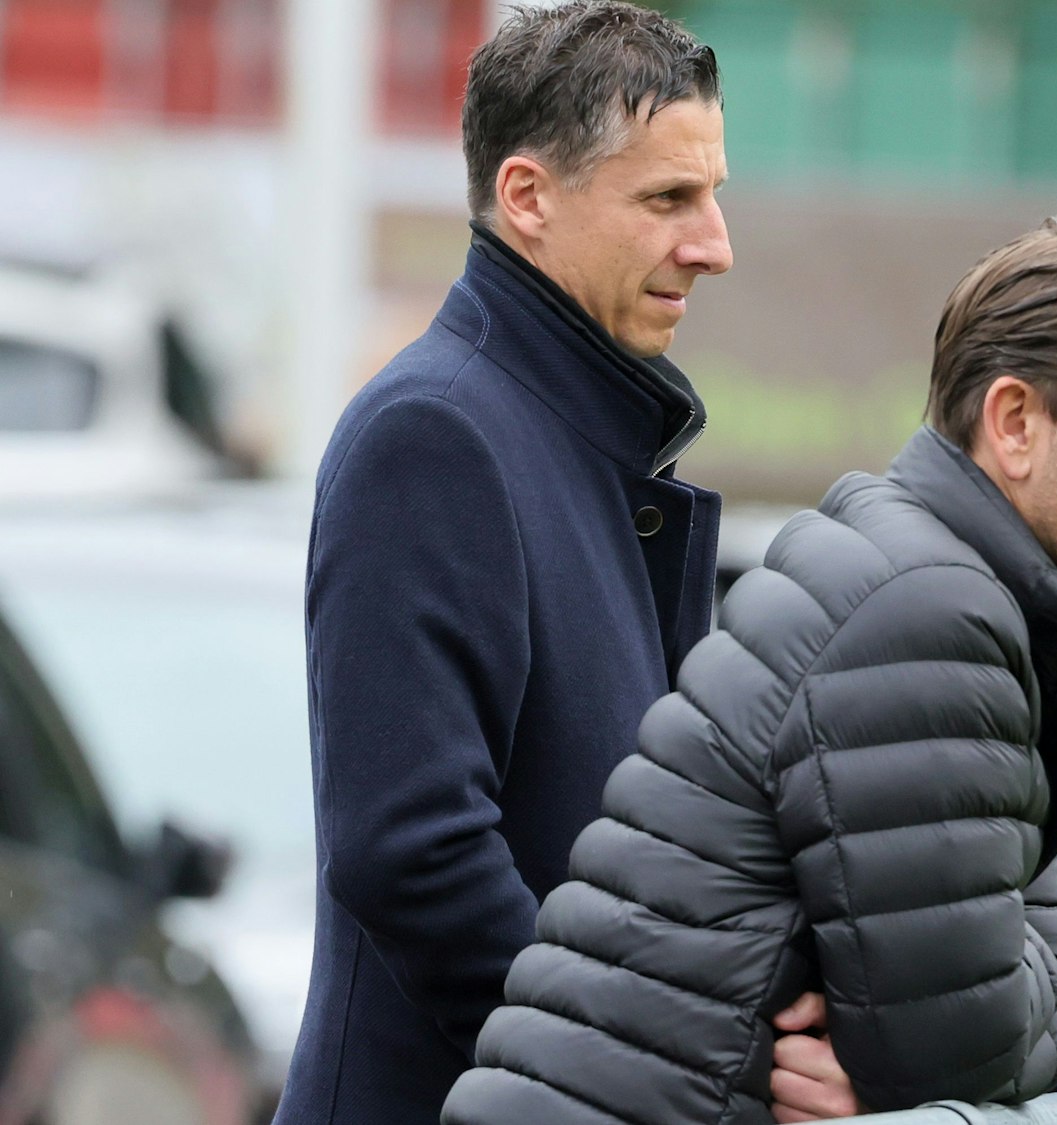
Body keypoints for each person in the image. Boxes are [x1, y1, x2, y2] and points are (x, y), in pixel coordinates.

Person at [439, 215, 1057, 1125]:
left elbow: (966, 1013)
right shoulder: (931, 612)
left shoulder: (904, 559)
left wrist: (937, 1042)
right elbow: (969, 1050)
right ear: (1014, 422)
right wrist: (1045, 989)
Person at [276, 5, 731, 1123]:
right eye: (667, 199)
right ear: (527, 197)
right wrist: (632, 1084)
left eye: (713, 195)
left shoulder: (559, 433)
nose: (714, 243)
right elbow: (413, 855)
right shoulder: (433, 432)